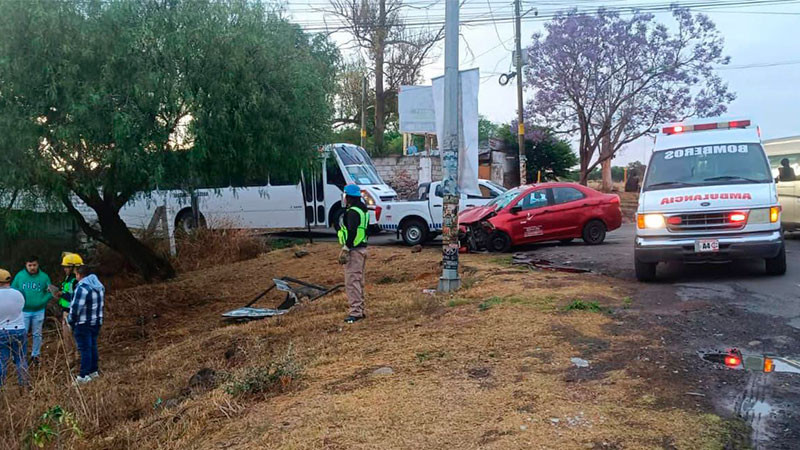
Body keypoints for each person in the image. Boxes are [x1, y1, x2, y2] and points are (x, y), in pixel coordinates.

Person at [337, 184, 370, 324]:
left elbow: (352, 232)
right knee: (358, 281)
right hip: (361, 248)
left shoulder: (352, 212)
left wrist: (346, 248)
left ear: (348, 196)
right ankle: (359, 310)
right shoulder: (362, 210)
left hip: (354, 250)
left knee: (352, 282)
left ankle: (355, 312)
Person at [11, 256, 52, 365]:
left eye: (34, 265)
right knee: (21, 333)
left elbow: (50, 291)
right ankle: (19, 355)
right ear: (26, 265)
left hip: (39, 310)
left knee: (37, 333)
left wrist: (43, 300)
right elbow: (13, 291)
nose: (32, 267)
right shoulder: (20, 276)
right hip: (23, 311)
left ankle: (35, 355)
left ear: (38, 265)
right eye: (30, 265)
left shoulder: (44, 277)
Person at [68, 265, 104, 384]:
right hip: (96, 322)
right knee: (92, 346)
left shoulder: (82, 288)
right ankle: (94, 371)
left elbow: (75, 308)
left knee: (85, 349)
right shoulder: (98, 286)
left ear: (79, 274)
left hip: (83, 323)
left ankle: (84, 375)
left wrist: (71, 321)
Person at [0, 268, 29, 388]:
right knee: (21, 359)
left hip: (2, 331)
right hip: (20, 330)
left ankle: (1, 387)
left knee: (2, 361)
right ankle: (25, 386)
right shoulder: (19, 293)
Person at [53, 253, 82, 359]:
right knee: (67, 337)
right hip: (66, 310)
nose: (64, 269)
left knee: (73, 336)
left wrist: (62, 294)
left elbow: (75, 296)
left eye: (67, 266)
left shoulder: (76, 280)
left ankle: (77, 358)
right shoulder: (69, 278)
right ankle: (72, 358)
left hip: (73, 312)